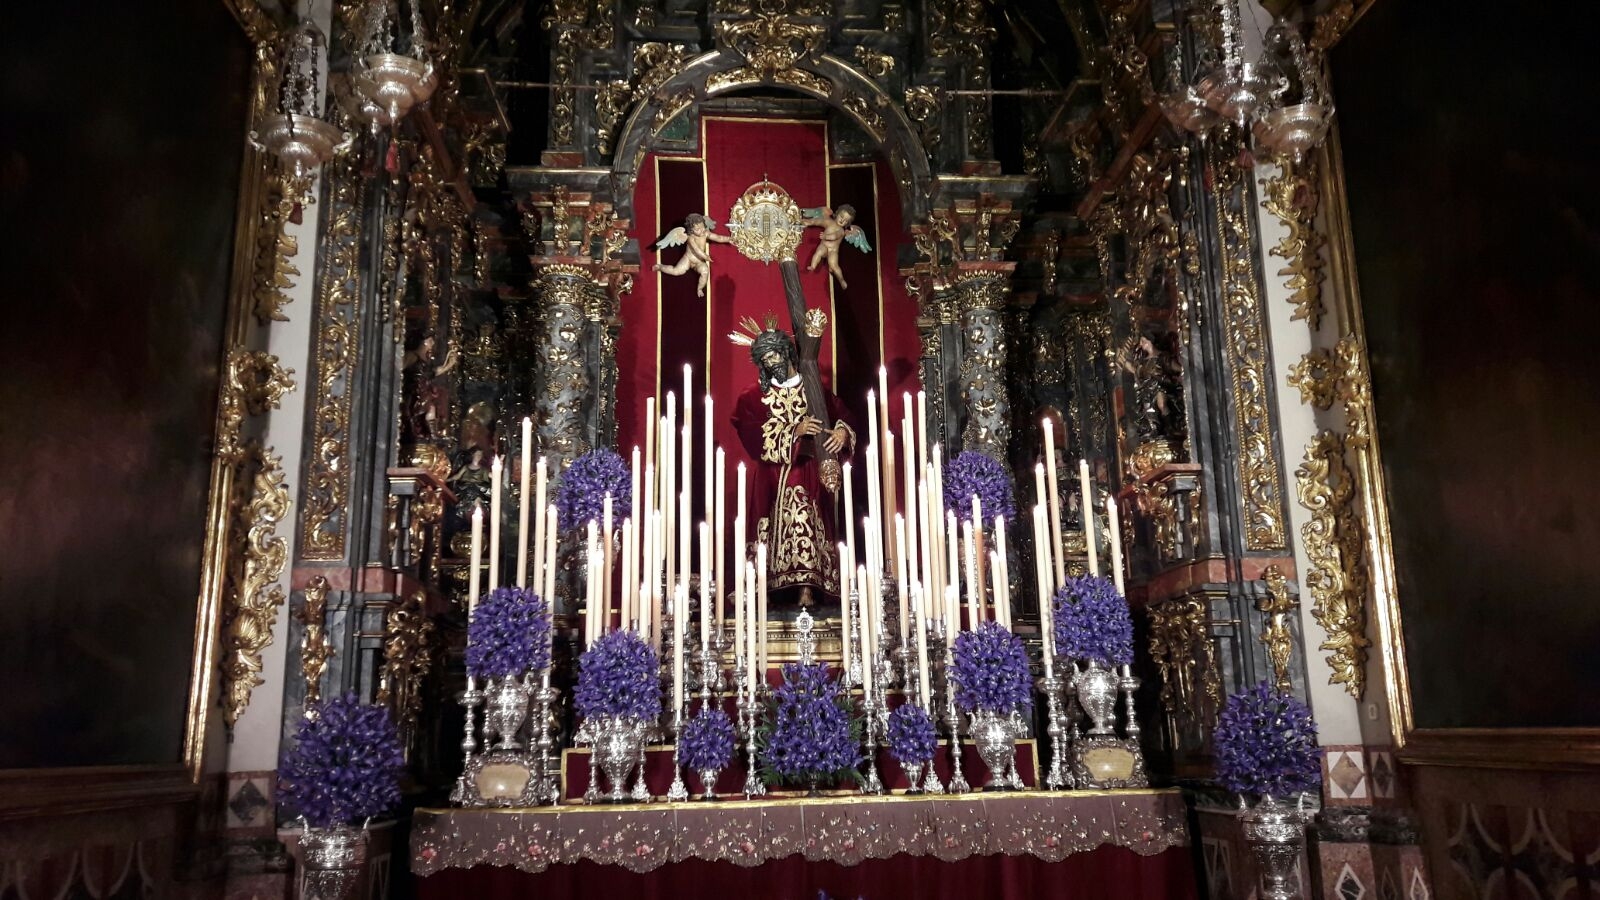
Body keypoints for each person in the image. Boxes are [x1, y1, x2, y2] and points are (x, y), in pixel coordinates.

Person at [730, 322, 855, 607]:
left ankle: (808, 588)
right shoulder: (751, 398)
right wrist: (794, 432)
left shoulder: (814, 389)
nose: (770, 362)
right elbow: (751, 433)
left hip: (809, 470)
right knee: (771, 528)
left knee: (808, 519)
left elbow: (843, 416)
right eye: (764, 359)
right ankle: (767, 588)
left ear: (786, 353)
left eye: (774, 355)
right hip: (772, 477)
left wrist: (841, 433)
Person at [652, 213, 733, 297]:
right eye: (697, 229)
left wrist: (728, 239)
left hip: (699, 262)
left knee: (705, 271)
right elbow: (696, 250)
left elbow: (718, 238)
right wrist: (705, 256)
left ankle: (699, 288)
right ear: (691, 230)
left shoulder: (706, 233)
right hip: (688, 259)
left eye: (702, 227)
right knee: (676, 271)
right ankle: (660, 267)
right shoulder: (690, 238)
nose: (701, 230)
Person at [801, 204, 871, 289]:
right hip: (824, 246)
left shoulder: (841, 230)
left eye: (845, 221)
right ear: (837, 214)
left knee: (834, 265)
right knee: (818, 252)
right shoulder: (828, 221)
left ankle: (841, 279)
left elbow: (834, 236)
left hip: (833, 250)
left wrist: (825, 237)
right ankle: (813, 266)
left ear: (847, 223)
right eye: (841, 216)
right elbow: (817, 221)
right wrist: (808, 222)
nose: (842, 220)